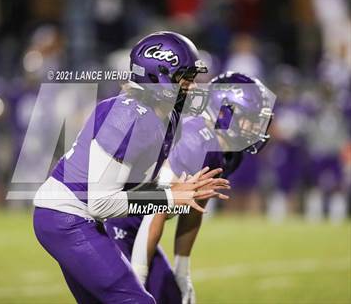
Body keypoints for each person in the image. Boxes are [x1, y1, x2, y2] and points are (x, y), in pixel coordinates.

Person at [33, 31, 226, 303]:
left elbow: (130, 188)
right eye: (186, 80)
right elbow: (101, 203)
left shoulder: (163, 119)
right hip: (67, 217)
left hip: (77, 216)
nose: (193, 88)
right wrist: (170, 196)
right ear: (158, 77)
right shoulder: (126, 115)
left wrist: (173, 190)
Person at [105, 72, 275, 304]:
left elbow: (194, 209)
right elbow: (157, 208)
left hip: (140, 228)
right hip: (115, 224)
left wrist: (182, 271)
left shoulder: (230, 153)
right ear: (224, 112)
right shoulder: (195, 139)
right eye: (250, 118)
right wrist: (139, 276)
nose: (256, 128)